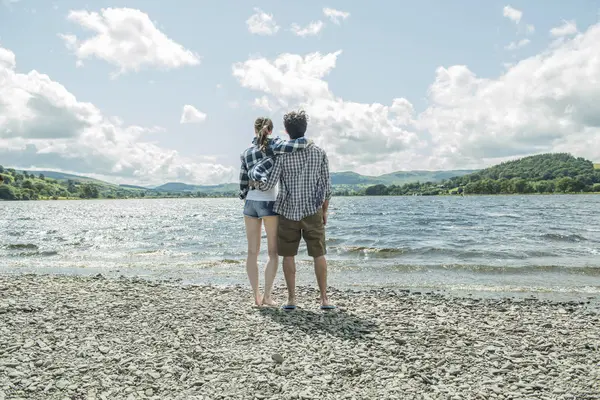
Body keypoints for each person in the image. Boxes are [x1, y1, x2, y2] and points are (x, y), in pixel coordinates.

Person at [256, 110, 334, 310]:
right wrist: (324, 211)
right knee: (319, 254)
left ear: (287, 131)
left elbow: (270, 183)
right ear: (305, 129)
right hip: (312, 210)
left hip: (287, 211)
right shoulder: (319, 152)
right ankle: (324, 299)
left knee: (288, 255)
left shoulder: (282, 155)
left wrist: (254, 180)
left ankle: (291, 300)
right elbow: (326, 186)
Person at [239, 117, 310, 306]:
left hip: (250, 204)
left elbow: (243, 182)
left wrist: (247, 196)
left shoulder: (246, 152)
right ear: (270, 130)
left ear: (254, 130)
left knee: (252, 252)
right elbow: (297, 145)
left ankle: (256, 297)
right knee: (272, 253)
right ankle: (268, 296)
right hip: (269, 202)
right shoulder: (275, 146)